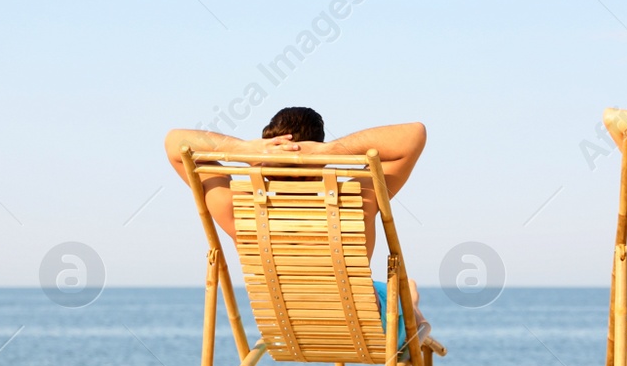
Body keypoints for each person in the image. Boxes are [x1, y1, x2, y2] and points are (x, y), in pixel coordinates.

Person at [164, 107, 430, 332]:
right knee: (404, 298)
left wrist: (244, 149)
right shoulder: (354, 203)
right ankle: (414, 306)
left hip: (287, 329)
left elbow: (175, 143)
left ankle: (410, 296)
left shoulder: (238, 211)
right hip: (362, 326)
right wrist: (330, 151)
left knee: (394, 291)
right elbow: (414, 134)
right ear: (320, 160)